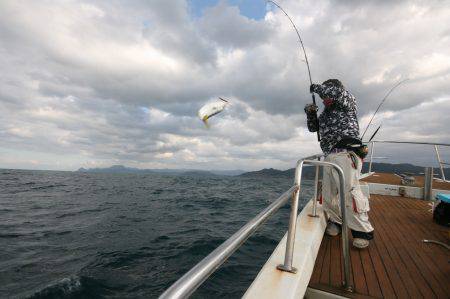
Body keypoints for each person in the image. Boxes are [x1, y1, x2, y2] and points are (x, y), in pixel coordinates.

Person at [304, 79, 374, 249]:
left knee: (349, 192)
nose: (324, 98)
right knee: (328, 194)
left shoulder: (348, 101)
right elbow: (314, 128)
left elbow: (334, 93)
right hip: (330, 156)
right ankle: (336, 221)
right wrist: (311, 114)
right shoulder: (326, 113)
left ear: (335, 90)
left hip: (346, 152)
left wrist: (318, 87)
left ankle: (362, 232)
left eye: (328, 92)